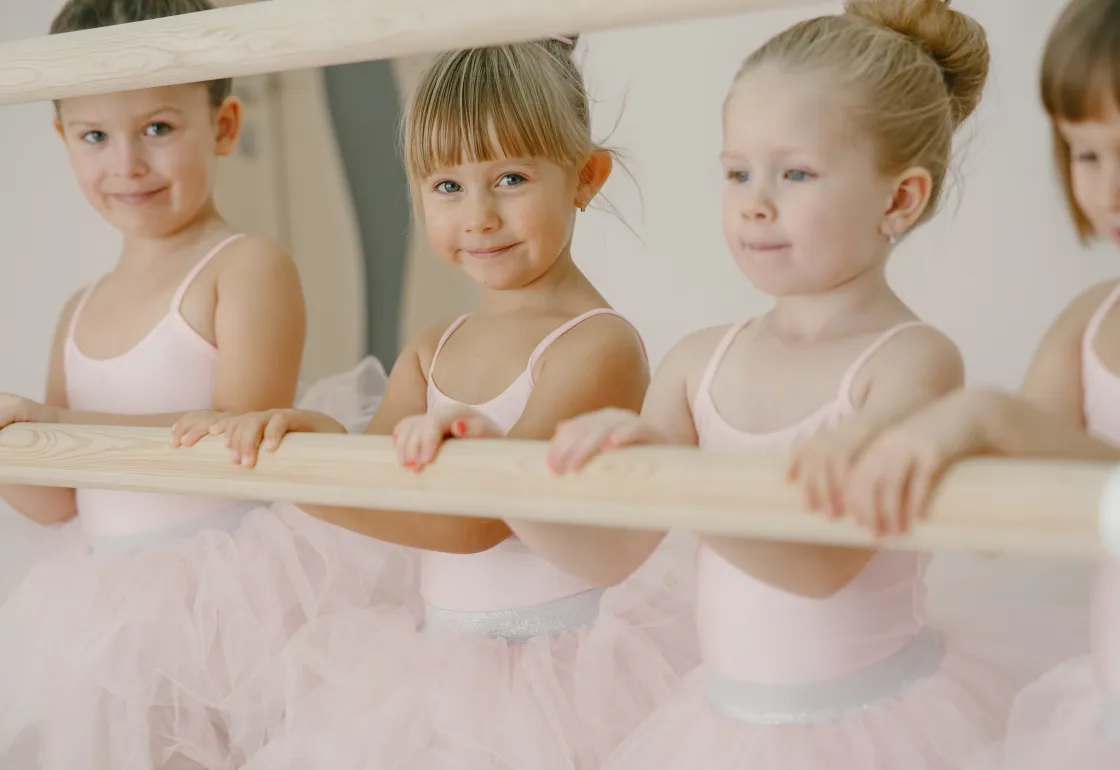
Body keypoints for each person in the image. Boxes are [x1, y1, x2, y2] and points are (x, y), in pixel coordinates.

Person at [184, 35, 699, 770]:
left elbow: (475, 519)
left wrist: (294, 483)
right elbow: (381, 480)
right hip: (440, 663)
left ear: (585, 177)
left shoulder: (596, 345)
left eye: (511, 177)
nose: (479, 215)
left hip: (558, 681)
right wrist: (313, 435)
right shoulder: (432, 346)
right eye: (447, 186)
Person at [546, 2, 1031, 767]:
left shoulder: (912, 364)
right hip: (722, 727)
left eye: (795, 172)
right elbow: (610, 555)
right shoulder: (695, 363)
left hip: (876, 726)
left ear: (899, 199)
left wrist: (665, 476)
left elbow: (819, 564)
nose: (754, 201)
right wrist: (487, 471)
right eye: (737, 171)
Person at [0, 2, 409, 768]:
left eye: (158, 128)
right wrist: (15, 448)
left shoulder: (244, 266)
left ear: (222, 126)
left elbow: (233, 432)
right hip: (103, 610)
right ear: (63, 141)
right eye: (95, 136)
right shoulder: (75, 312)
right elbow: (60, 502)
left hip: (225, 600)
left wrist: (59, 419)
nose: (126, 163)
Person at [802, 1, 1120, 766]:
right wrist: (878, 437)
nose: (1114, 189)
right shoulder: (1089, 323)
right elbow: (994, 527)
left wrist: (990, 416)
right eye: (1086, 154)